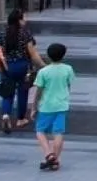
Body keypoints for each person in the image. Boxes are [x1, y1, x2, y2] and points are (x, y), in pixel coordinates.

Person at [0, 8, 43, 134]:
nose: (25, 20)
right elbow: (33, 54)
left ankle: (6, 115)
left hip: (7, 66)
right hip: (22, 65)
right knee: (23, 92)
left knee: (7, 92)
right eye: (23, 18)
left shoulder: (2, 34)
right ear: (19, 20)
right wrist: (43, 65)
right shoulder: (25, 34)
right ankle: (21, 118)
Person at [31, 42, 74, 172]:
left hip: (46, 106)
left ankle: (48, 154)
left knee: (40, 131)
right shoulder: (68, 69)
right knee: (58, 132)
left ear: (48, 56)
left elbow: (38, 91)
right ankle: (56, 160)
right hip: (62, 105)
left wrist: (34, 107)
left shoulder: (43, 72)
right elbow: (68, 85)